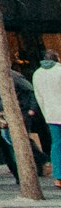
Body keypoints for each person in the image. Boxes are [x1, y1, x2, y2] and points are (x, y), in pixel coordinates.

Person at [34, 51, 61, 187]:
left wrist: (46, 113)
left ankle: (58, 176)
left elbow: (39, 97)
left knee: (56, 144)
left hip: (51, 115)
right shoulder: (59, 70)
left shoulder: (37, 74)